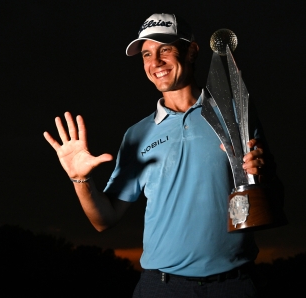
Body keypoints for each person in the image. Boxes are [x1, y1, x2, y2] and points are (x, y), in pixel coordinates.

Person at [44, 13, 278, 297]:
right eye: (146, 54)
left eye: (165, 49)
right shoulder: (137, 134)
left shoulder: (235, 113)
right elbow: (103, 219)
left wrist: (261, 176)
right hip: (162, 287)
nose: (155, 62)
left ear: (191, 51)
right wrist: (80, 179)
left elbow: (275, 196)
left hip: (233, 284)